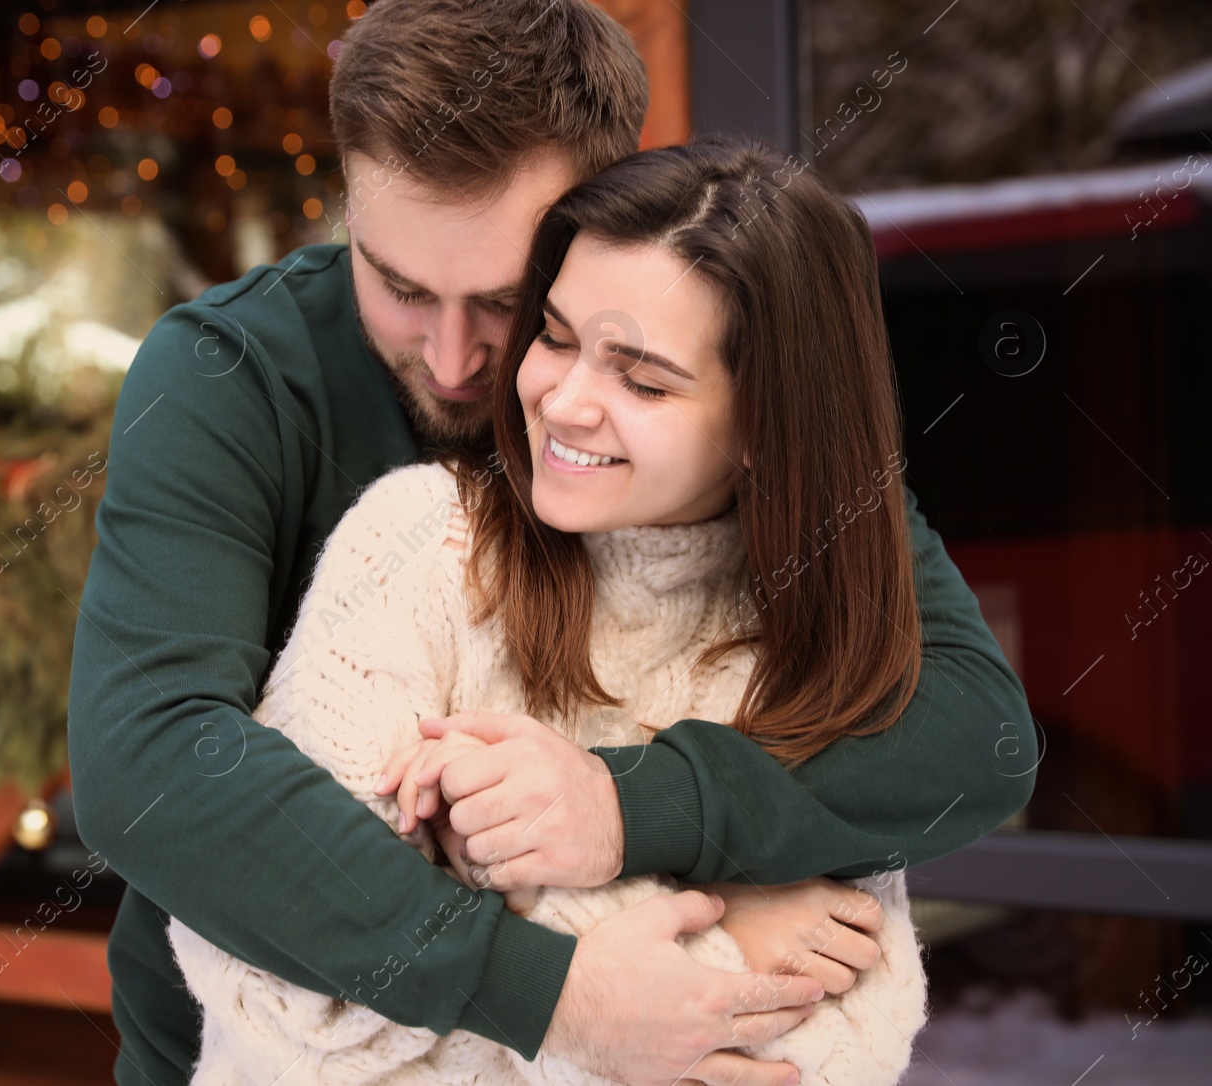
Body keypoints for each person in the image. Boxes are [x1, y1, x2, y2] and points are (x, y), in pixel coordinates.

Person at [66, 2, 1037, 1084]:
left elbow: (968, 730)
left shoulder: (730, 397)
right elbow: (154, 766)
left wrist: (633, 813)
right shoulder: (232, 379)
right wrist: (559, 990)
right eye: (395, 285)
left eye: (506, 299)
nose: (448, 360)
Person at [167, 135, 932, 1086]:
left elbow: (839, 1051)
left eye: (644, 380)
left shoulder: (808, 642)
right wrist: (698, 922)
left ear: (764, 426)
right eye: (557, 338)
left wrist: (493, 869)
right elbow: (274, 986)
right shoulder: (420, 545)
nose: (564, 402)